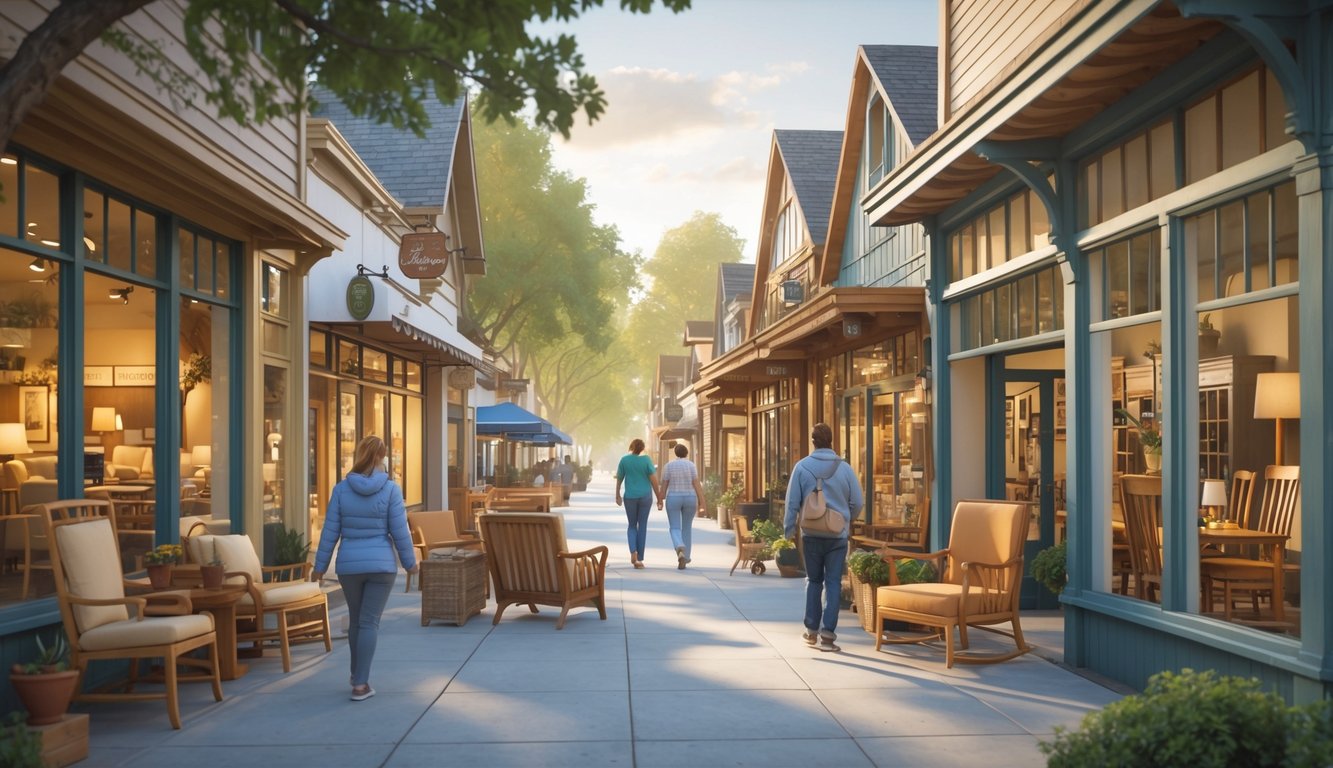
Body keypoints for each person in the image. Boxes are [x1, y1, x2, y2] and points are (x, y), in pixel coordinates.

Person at [313, 435, 419, 701]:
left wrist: (320, 565)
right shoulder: (391, 490)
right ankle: (360, 683)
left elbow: (329, 532)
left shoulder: (340, 489)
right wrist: (410, 563)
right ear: (381, 458)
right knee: (369, 622)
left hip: (350, 565)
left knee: (357, 621)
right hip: (381, 566)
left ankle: (356, 675)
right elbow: (400, 532)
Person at [784, 422, 863, 653]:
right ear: (831, 440)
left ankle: (810, 632)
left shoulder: (801, 467)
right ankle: (828, 634)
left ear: (813, 441)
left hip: (810, 534)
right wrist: (846, 520)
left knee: (814, 580)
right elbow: (858, 502)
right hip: (837, 535)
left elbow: (791, 503)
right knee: (833, 582)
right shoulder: (845, 468)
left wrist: (789, 531)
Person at [657, 443, 705, 570]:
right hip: (690, 498)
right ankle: (686, 556)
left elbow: (664, 485)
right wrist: (702, 502)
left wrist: (660, 500)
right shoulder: (691, 465)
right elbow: (696, 484)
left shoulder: (668, 466)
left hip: (673, 498)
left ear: (675, 453)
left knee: (674, 527)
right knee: (687, 528)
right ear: (686, 453)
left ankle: (679, 546)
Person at [615, 438, 659, 569]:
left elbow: (619, 478)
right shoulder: (646, 460)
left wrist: (617, 494)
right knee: (643, 525)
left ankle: (633, 550)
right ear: (642, 448)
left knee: (632, 525)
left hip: (630, 497)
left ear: (632, 446)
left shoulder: (624, 460)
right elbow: (653, 480)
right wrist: (660, 497)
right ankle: (639, 559)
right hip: (645, 497)